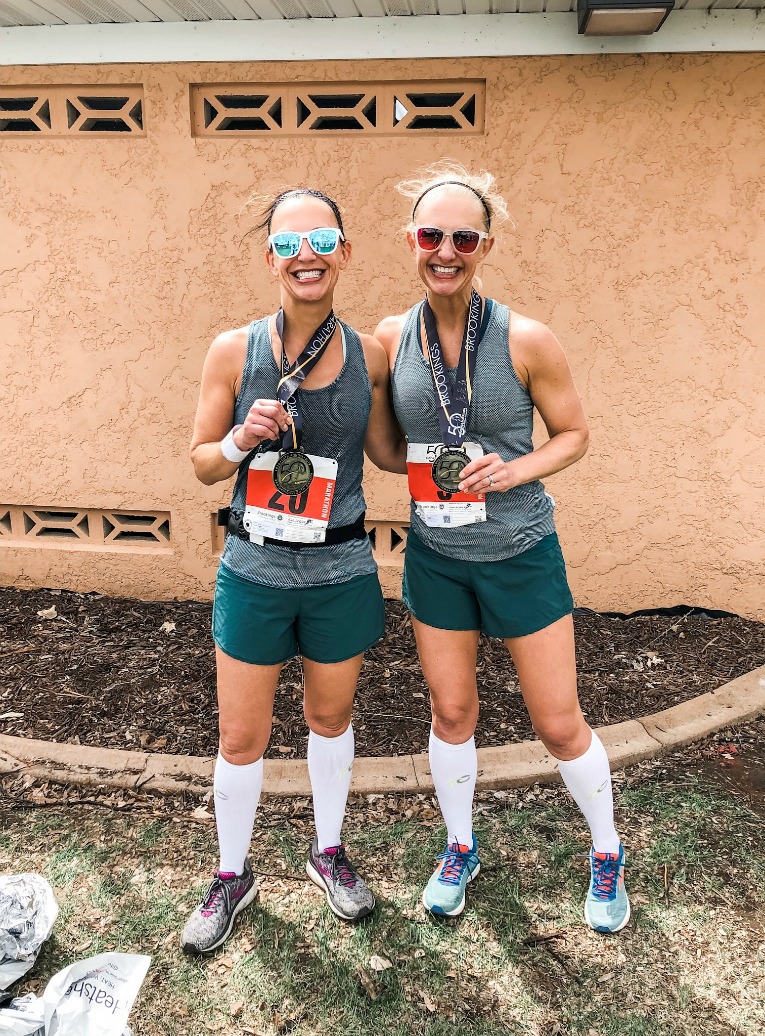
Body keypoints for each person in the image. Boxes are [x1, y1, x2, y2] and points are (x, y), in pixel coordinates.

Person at [374, 162, 629, 934]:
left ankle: (607, 850)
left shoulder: (526, 338)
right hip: (436, 556)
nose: (444, 251)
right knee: (451, 712)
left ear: (484, 246)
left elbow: (574, 434)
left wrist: (514, 469)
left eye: (463, 238)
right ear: (410, 242)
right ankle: (459, 846)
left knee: (556, 722)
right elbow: (386, 452)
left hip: (520, 550)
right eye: (431, 235)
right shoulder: (390, 338)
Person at [182, 187, 405, 954]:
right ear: (269, 258)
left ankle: (327, 852)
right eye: (286, 244)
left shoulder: (370, 355)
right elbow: (203, 464)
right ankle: (230, 874)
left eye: (320, 241)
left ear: (344, 252)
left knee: (330, 722)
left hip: (339, 570)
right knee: (240, 736)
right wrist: (241, 438)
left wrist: (468, 448)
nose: (304, 255)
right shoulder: (232, 351)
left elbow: (386, 453)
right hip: (254, 569)